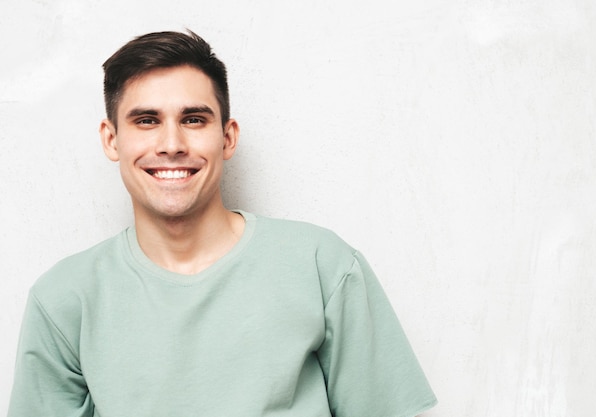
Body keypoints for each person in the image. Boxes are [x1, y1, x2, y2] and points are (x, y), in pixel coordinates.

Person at [8, 31, 437, 417]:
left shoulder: (322, 266)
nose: (172, 145)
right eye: (146, 120)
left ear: (227, 137)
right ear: (111, 139)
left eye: (193, 119)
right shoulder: (63, 299)